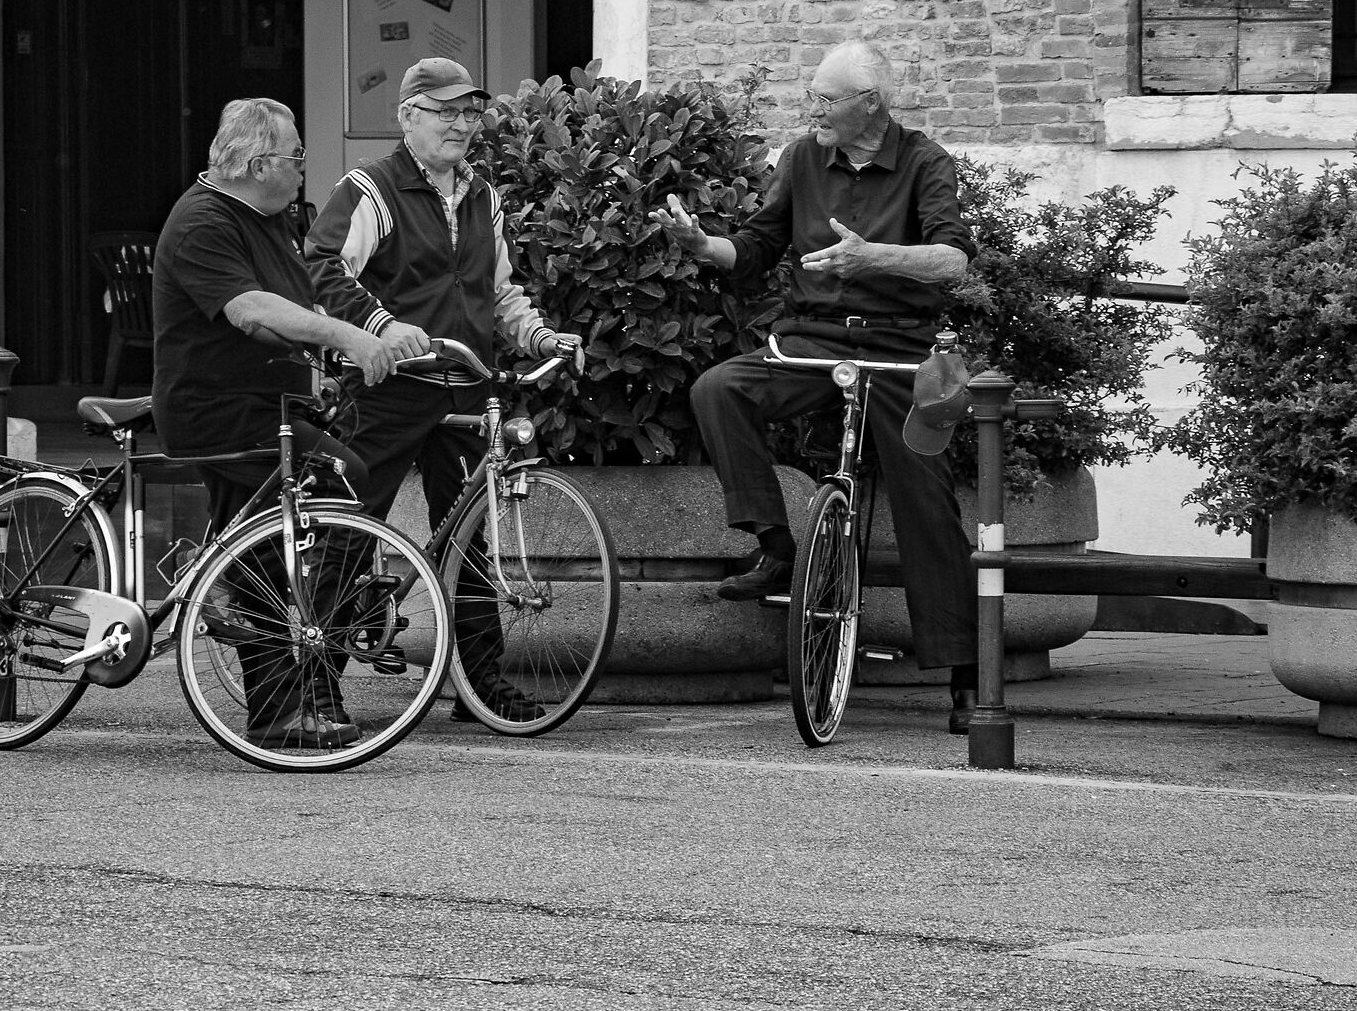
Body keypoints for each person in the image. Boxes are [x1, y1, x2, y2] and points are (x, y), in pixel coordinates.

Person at [652, 39, 985, 733]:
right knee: (720, 389)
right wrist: (698, 244)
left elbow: (953, 260)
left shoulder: (925, 161)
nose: (815, 111)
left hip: (898, 348)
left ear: (871, 104)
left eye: (827, 100)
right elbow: (754, 247)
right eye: (813, 98)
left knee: (927, 501)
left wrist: (872, 256)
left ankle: (965, 677)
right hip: (812, 339)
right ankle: (775, 547)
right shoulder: (803, 157)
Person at [305, 57, 583, 725]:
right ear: (408, 118)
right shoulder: (371, 189)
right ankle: (313, 684)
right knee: (352, 528)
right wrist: (380, 326)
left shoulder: (485, 196)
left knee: (470, 539)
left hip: (465, 384)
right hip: (391, 386)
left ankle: (479, 684)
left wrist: (539, 337)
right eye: (445, 112)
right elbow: (320, 266)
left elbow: (500, 291)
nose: (461, 124)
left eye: (470, 112)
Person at [152, 97, 425, 750]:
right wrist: (347, 339)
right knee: (276, 542)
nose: (305, 168)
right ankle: (278, 707)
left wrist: (353, 348)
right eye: (296, 156)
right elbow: (250, 311)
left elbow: (300, 299)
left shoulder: (272, 215)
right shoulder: (201, 222)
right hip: (214, 410)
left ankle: (305, 654)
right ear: (255, 162)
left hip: (270, 406)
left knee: (346, 481)